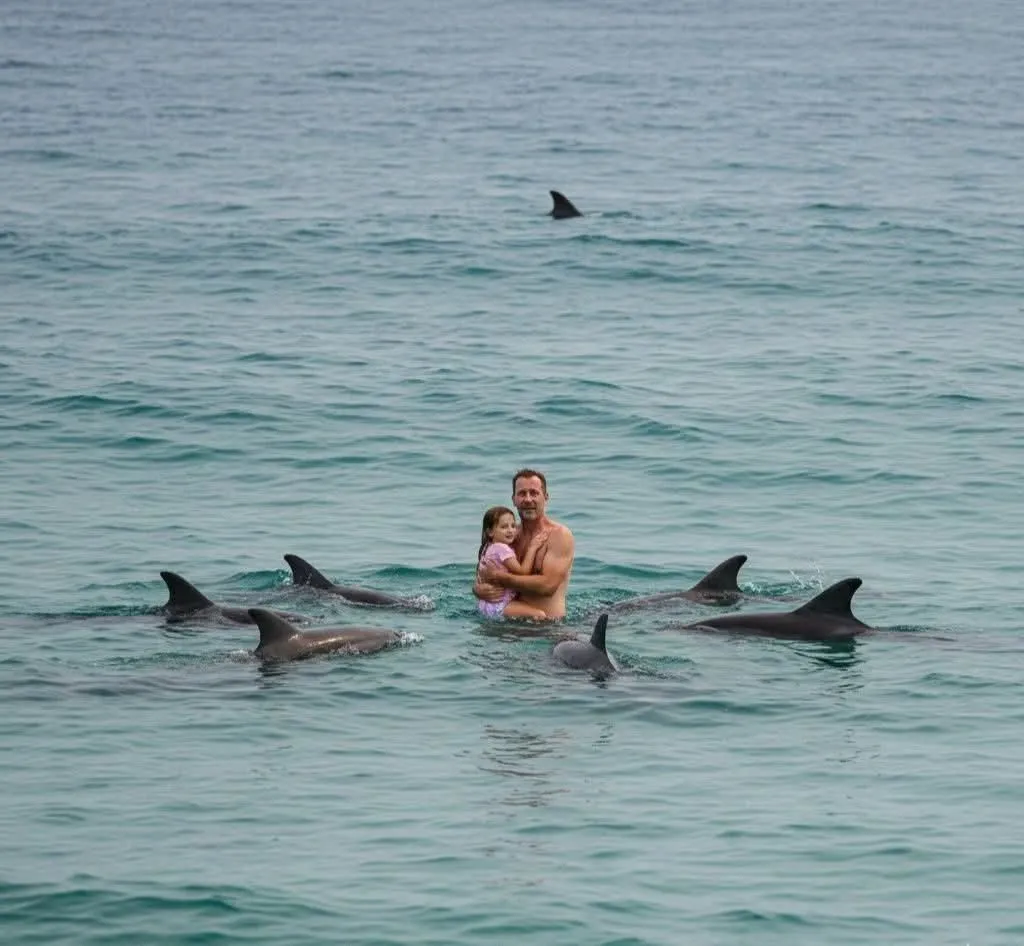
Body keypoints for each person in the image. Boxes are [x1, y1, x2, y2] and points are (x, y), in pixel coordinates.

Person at [474, 469, 575, 620]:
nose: (528, 499)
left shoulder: (559, 535)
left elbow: (548, 586)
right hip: (507, 622)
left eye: (534, 493)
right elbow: (484, 569)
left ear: (546, 497)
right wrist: (477, 589)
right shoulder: (508, 536)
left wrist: (499, 577)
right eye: (522, 494)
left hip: (546, 626)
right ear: (514, 499)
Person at [475, 506, 549, 620]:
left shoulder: (487, 547)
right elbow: (523, 571)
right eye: (504, 527)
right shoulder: (502, 549)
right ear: (490, 532)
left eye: (513, 526)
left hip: (485, 605)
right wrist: (533, 547)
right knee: (540, 615)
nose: (510, 530)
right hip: (500, 606)